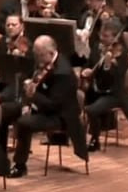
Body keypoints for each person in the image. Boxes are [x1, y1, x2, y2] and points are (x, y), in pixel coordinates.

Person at [9, 35, 85, 178]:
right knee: (7, 110)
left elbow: (54, 105)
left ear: (50, 52)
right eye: (36, 54)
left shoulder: (62, 72)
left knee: (24, 123)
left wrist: (33, 95)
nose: (37, 59)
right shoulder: (47, 61)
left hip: (60, 116)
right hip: (43, 107)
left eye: (40, 55)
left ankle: (20, 165)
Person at [81, 19, 128, 151]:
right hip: (96, 90)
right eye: (101, 35)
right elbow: (89, 63)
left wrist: (107, 65)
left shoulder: (121, 53)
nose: (102, 38)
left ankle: (95, 139)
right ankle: (78, 135)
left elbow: (116, 77)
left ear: (115, 37)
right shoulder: (97, 46)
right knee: (80, 102)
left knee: (92, 110)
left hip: (114, 93)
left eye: (106, 36)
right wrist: (85, 70)